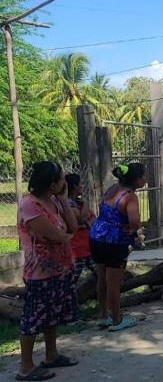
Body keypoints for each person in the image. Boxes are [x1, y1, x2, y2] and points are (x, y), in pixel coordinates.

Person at [17, 161, 79, 381]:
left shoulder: (53, 200)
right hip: (39, 272)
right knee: (33, 318)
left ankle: (51, 355)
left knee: (51, 315)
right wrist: (68, 237)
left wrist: (63, 200)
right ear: (52, 183)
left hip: (59, 268)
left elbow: (73, 227)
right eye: (61, 178)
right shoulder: (30, 205)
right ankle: (26, 367)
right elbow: (56, 235)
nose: (65, 181)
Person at [89, 163, 146, 332]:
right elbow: (134, 221)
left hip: (96, 236)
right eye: (143, 176)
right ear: (136, 179)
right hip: (115, 240)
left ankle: (103, 315)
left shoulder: (112, 189)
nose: (145, 179)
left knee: (101, 278)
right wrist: (135, 228)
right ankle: (116, 319)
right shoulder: (130, 197)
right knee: (113, 282)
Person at [65, 174, 96, 284]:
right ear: (75, 186)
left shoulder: (78, 202)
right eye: (80, 183)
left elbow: (92, 218)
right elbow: (81, 219)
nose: (82, 186)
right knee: (71, 280)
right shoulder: (68, 203)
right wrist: (85, 205)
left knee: (101, 273)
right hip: (77, 247)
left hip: (86, 245)